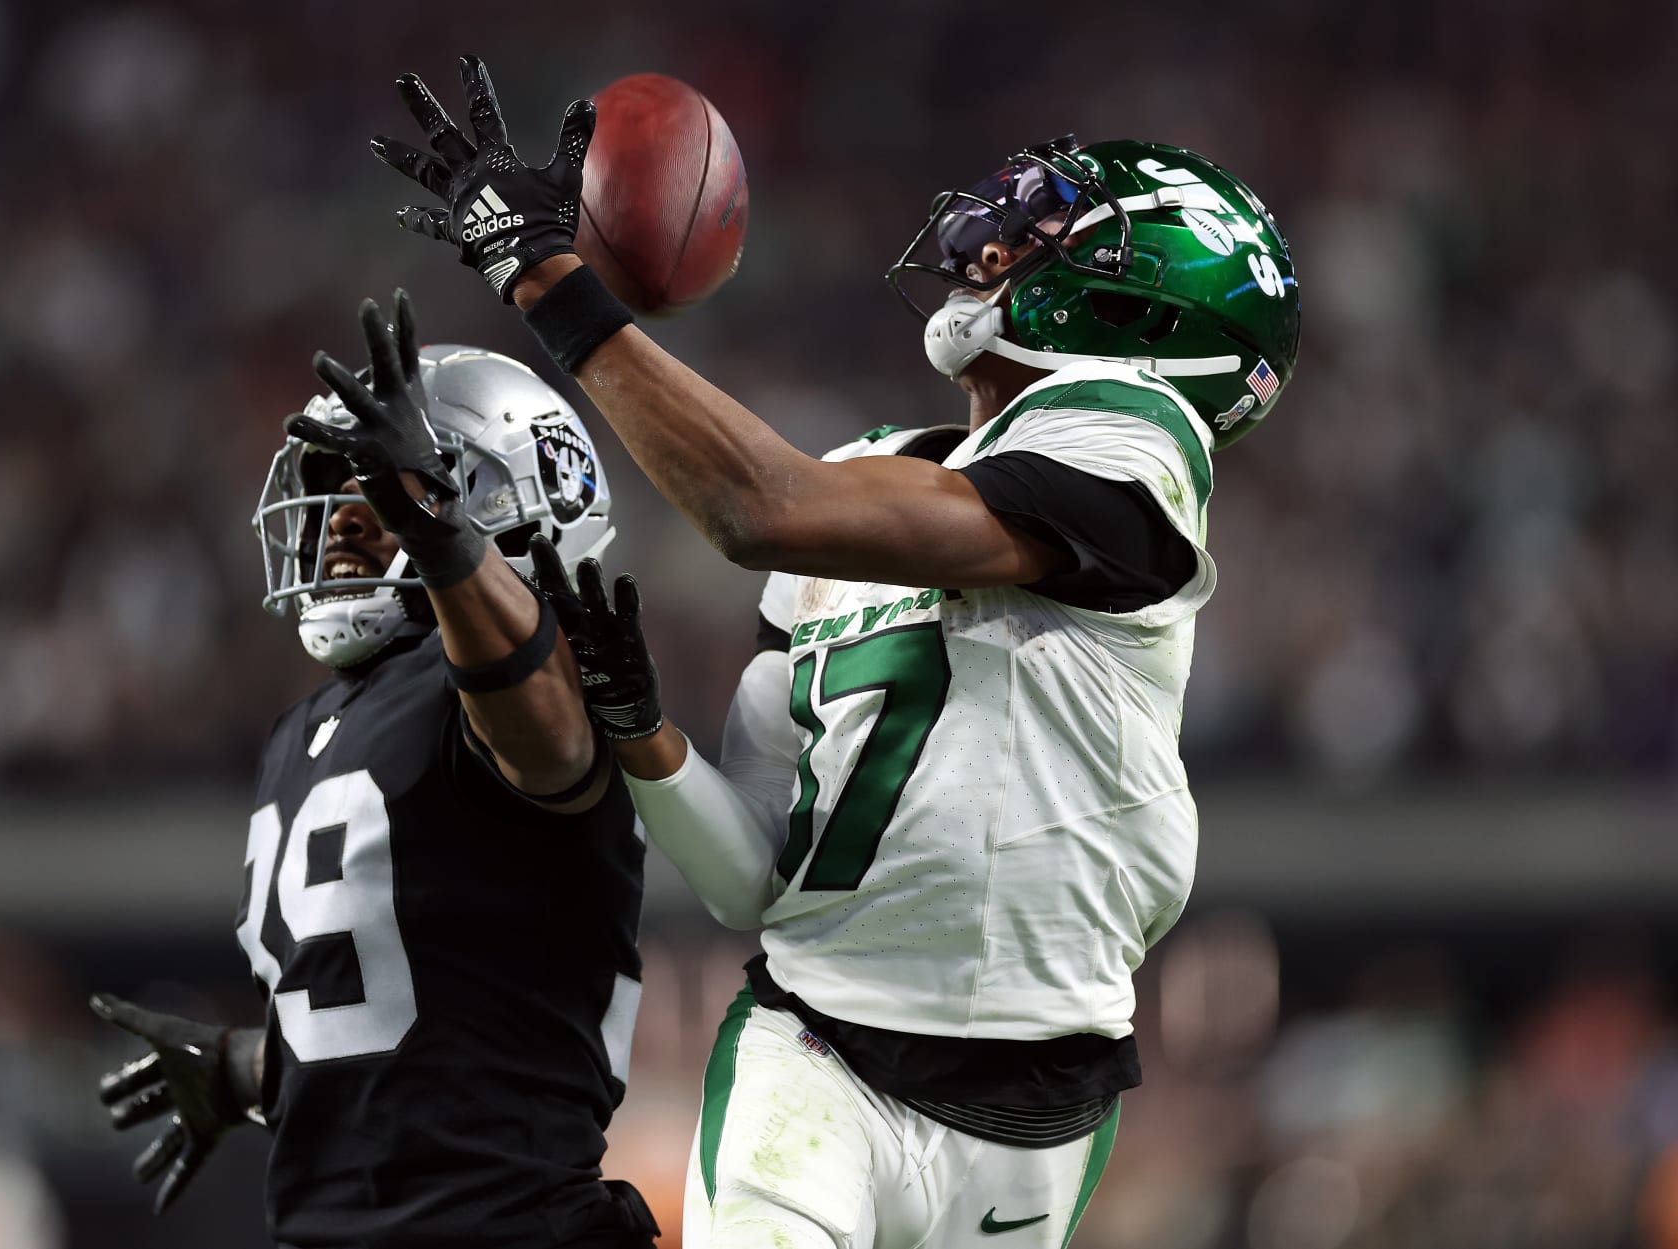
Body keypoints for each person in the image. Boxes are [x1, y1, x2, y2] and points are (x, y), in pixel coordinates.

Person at [371, 59, 1300, 1248]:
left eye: (1056, 235)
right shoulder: (866, 478)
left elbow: (761, 505)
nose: (999, 243)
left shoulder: (1137, 448)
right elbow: (752, 884)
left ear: (1156, 305)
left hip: (1039, 1101)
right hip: (816, 1050)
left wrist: (543, 273)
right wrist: (646, 733)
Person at [89, 290, 659, 1249]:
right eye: (339, 490)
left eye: (379, 488)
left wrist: (438, 537)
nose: (343, 522)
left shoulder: (530, 681)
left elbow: (550, 736)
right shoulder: (306, 726)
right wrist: (246, 1068)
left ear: (501, 503)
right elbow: (420, 1023)